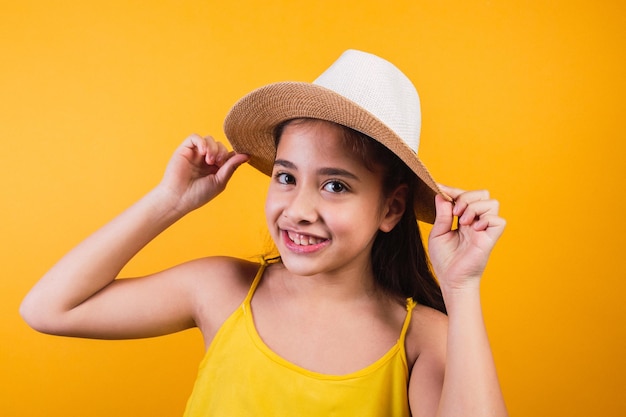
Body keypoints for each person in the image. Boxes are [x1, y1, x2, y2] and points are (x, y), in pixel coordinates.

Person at [21, 49, 508, 416]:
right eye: (286, 176)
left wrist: (461, 289)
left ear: (391, 207)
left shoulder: (423, 338)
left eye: (335, 185)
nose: (299, 209)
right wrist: (166, 203)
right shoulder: (221, 291)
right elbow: (49, 309)